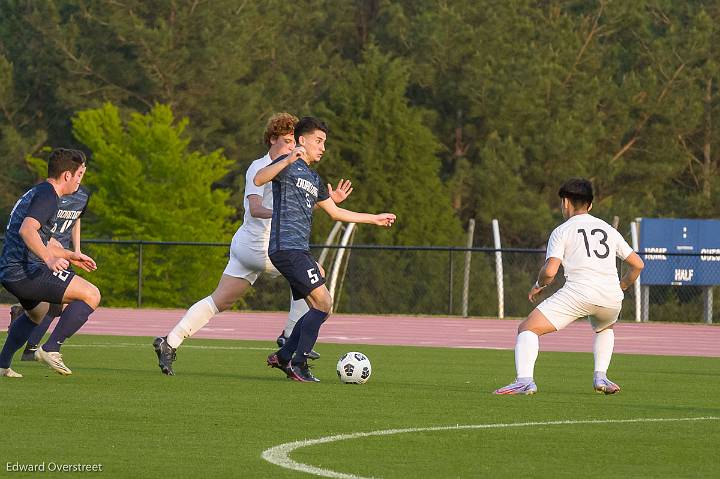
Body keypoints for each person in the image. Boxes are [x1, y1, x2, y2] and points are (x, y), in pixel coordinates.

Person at [152, 113, 353, 375]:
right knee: (315, 274)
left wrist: (327, 199)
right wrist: (282, 212)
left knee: (220, 301)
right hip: (260, 244)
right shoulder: (260, 166)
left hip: (250, 246)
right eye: (286, 141)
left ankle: (170, 342)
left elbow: (295, 205)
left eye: (294, 142)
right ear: (272, 140)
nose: (292, 147)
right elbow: (256, 207)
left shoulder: (293, 169)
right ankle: (289, 337)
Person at [257, 116, 396, 382]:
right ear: (302, 140)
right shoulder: (287, 165)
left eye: (324, 142)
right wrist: (287, 159)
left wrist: (374, 218)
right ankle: (298, 363)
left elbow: (335, 212)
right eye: (318, 141)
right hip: (286, 248)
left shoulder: (314, 178)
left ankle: (284, 356)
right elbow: (259, 179)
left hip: (299, 249)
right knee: (324, 303)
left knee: (320, 307)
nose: (322, 147)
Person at [493, 178, 644, 395]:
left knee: (527, 328)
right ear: (590, 205)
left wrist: (538, 284)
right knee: (604, 327)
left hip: (579, 292)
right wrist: (621, 287)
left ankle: (524, 380)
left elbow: (550, 271)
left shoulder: (562, 230)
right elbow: (638, 265)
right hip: (611, 297)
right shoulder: (608, 229)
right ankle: (600, 376)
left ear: (565, 202)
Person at [0, 148, 100, 377]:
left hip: (12, 271)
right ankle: (50, 348)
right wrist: (49, 259)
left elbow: (41, 238)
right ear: (67, 175)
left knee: (38, 312)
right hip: (25, 271)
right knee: (91, 294)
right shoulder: (48, 196)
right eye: (79, 174)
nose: (80, 181)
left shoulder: (39, 191)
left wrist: (70, 255)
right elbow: (27, 230)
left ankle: (2, 364)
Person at [7, 185, 91, 361]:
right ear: (68, 174)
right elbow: (33, 226)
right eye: (79, 171)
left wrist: (76, 249)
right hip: (45, 252)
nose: (80, 177)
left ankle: (23, 346)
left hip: (62, 253)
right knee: (67, 301)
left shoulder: (83, 195)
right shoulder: (51, 194)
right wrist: (51, 246)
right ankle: (38, 349)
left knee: (50, 308)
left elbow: (76, 219)